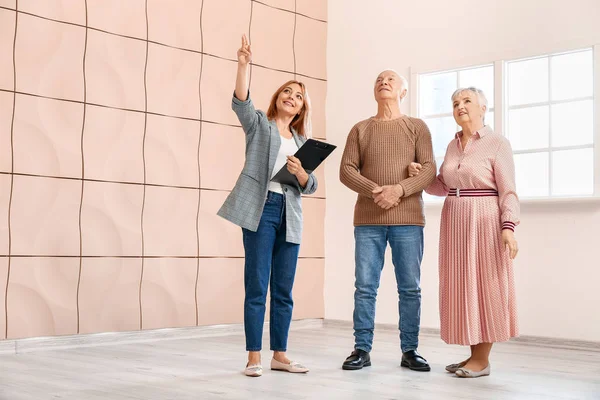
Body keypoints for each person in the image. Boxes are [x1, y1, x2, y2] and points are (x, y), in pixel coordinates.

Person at [218, 34, 318, 377]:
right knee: (257, 285)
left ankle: (280, 354)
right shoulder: (260, 124)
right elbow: (241, 104)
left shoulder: (303, 141)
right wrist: (243, 64)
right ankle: (254, 356)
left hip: (290, 215)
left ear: (302, 108)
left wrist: (302, 173)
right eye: (288, 92)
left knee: (284, 290)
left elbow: (311, 185)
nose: (293, 97)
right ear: (278, 98)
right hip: (261, 210)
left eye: (299, 96)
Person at [409, 87, 519, 378]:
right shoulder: (452, 145)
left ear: (483, 107)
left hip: (485, 220)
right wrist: (420, 176)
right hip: (455, 221)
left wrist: (508, 227)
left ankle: (481, 360)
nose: (460, 106)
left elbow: (508, 191)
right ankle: (473, 355)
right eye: (455, 102)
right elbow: (443, 186)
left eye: (467, 101)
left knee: (485, 285)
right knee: (463, 286)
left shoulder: (497, 143)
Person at [339, 70, 436, 372]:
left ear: (403, 92)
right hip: (368, 220)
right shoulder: (360, 129)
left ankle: (410, 350)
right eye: (379, 79)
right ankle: (361, 349)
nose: (384, 82)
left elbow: (430, 170)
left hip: (408, 220)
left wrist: (400, 190)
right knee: (365, 287)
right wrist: (375, 191)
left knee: (410, 288)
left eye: (391, 80)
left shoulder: (417, 127)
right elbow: (347, 170)